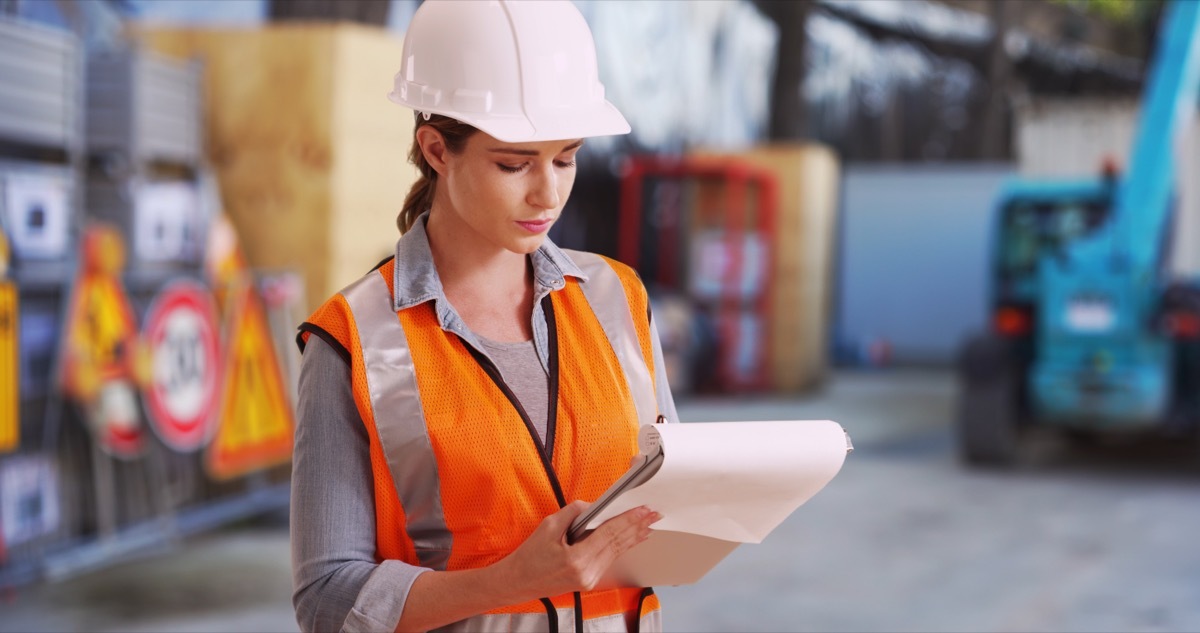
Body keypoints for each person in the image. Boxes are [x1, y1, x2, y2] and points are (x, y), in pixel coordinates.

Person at [289, 1, 680, 631]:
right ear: (437, 149)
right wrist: (514, 582)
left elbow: (670, 499)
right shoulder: (352, 341)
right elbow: (328, 600)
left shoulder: (618, 298)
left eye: (566, 158)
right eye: (514, 163)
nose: (547, 194)